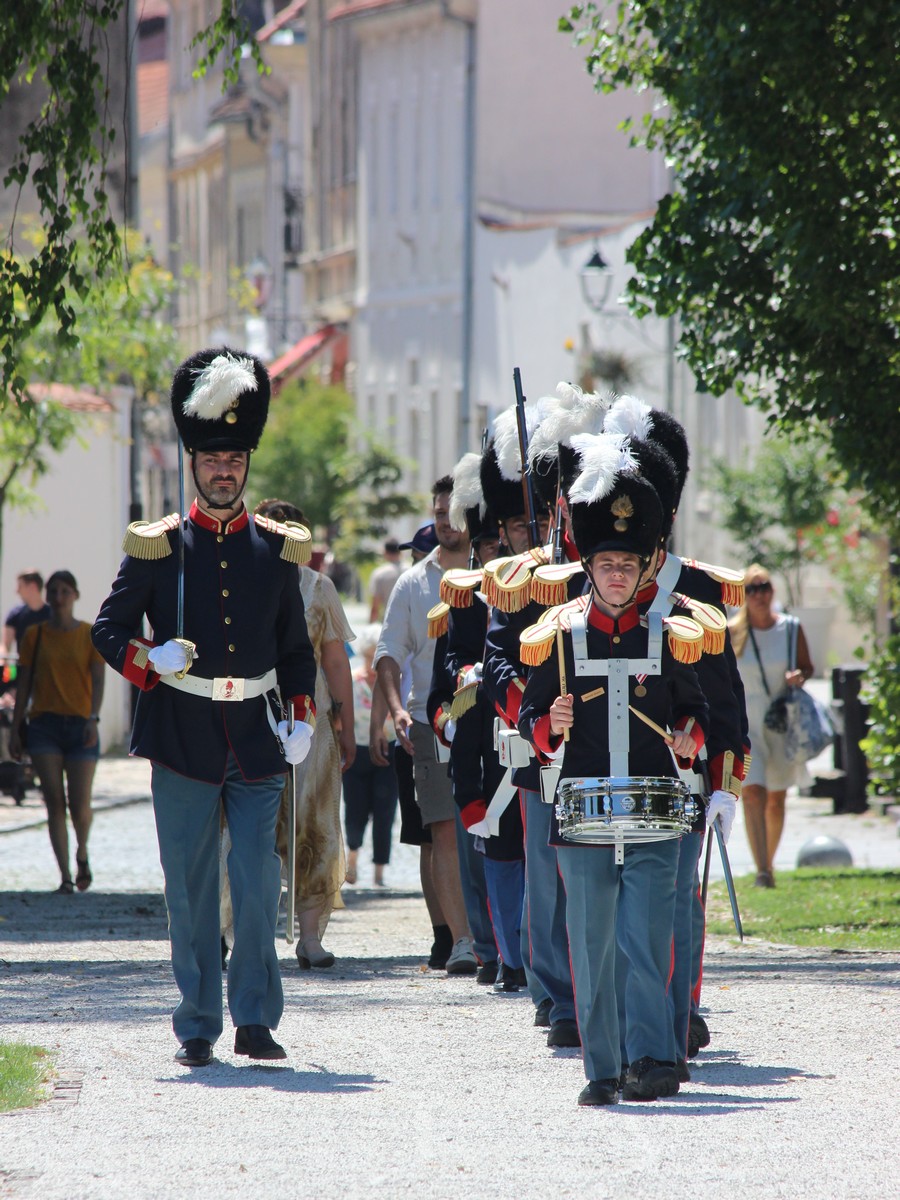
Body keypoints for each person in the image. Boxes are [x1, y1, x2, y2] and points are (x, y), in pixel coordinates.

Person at [92, 347, 317, 1068]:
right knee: (190, 893)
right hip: (182, 735)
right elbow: (107, 629)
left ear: (248, 463)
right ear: (193, 462)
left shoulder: (278, 551)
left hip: (256, 737)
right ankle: (196, 1021)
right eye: (213, 458)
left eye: (236, 458)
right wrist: (144, 661)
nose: (225, 470)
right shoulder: (158, 548)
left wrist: (303, 717)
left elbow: (295, 648)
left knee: (256, 885)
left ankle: (254, 1019)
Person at [518, 461, 709, 1106]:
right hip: (585, 809)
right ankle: (601, 1067)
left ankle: (651, 1057)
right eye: (607, 564)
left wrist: (689, 734)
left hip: (656, 807)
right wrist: (552, 722)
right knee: (594, 941)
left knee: (650, 938)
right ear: (588, 567)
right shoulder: (560, 637)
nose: (618, 574)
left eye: (629, 563)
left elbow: (697, 711)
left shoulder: (673, 632)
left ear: (646, 567)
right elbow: (528, 720)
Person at [372, 477, 481, 974]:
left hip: (488, 720)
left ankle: (489, 933)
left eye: (452, 513)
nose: (443, 522)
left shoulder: (494, 574)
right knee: (442, 829)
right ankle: (460, 940)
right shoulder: (413, 582)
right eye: (437, 513)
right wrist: (394, 710)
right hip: (426, 723)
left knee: (485, 827)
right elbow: (388, 653)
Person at [253, 497, 356, 967]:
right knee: (248, 831)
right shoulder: (239, 583)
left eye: (288, 527)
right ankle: (241, 933)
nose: (280, 534)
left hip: (309, 723)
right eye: (271, 525)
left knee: (315, 826)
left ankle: (310, 937)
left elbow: (336, 661)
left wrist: (347, 726)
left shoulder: (319, 587)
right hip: (250, 718)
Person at [9, 570, 105, 894]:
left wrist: (93, 718)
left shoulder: (89, 635)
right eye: (53, 591)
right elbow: (23, 684)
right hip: (43, 726)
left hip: (80, 726)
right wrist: (15, 727)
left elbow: (98, 680)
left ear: (75, 595)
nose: (58, 597)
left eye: (64, 591)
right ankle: (64, 875)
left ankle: (82, 852)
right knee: (54, 802)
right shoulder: (34, 636)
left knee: (80, 805)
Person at [728, 563, 813, 888]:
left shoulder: (791, 628)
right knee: (752, 794)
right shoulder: (732, 632)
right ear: (743, 595)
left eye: (765, 587)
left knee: (776, 798)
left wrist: (799, 677)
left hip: (781, 724)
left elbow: (807, 666)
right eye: (752, 589)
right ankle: (762, 870)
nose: (760, 594)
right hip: (746, 725)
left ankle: (770, 863)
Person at [344, 624, 398, 886]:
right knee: (355, 810)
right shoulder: (352, 682)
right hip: (357, 753)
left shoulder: (391, 684)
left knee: (385, 813)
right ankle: (352, 858)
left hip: (388, 752)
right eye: (370, 656)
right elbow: (340, 717)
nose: (374, 663)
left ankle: (379, 872)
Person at [3, 569, 51, 659]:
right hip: (23, 669)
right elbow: (5, 646)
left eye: (20, 586)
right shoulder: (15, 614)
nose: (17, 591)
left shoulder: (53, 615)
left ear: (32, 587)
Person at [368, 539, 403, 622]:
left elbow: (375, 607)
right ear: (400, 552)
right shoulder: (411, 570)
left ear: (385, 552)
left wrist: (371, 627)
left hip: (389, 622)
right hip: (411, 624)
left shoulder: (379, 573)